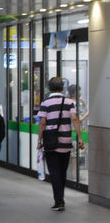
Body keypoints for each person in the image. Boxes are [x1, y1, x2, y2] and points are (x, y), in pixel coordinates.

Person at [37, 76, 84, 212]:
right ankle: (60, 199)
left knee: (54, 172)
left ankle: (59, 201)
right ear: (62, 88)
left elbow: (43, 123)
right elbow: (75, 119)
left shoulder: (45, 103)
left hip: (51, 143)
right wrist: (79, 138)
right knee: (62, 172)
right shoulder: (69, 102)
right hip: (66, 142)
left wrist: (39, 140)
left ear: (49, 88)